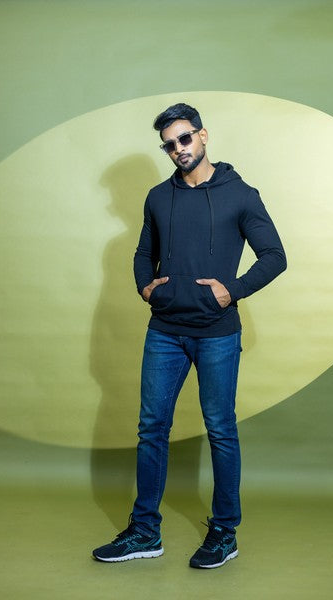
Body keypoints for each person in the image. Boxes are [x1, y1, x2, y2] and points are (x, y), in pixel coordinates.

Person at [92, 103, 287, 569]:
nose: (178, 148)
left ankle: (224, 532)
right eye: (168, 144)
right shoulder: (159, 197)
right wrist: (146, 286)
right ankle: (144, 532)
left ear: (203, 135)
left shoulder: (241, 195)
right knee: (151, 428)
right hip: (164, 331)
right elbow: (144, 251)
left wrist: (232, 290)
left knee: (220, 429)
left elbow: (274, 256)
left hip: (217, 333)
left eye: (184, 138)